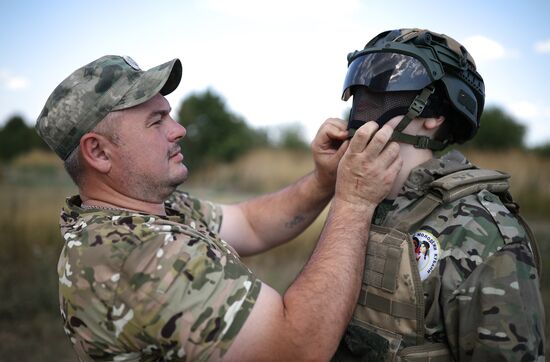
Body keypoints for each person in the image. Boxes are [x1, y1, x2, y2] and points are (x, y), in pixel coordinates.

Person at [35, 55, 402, 361]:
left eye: (170, 114)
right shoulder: (134, 254)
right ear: (98, 152)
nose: (179, 130)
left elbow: (251, 224)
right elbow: (297, 348)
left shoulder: (149, 211)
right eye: (156, 121)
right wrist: (354, 201)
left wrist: (325, 181)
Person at [332, 28, 545, 361]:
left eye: (388, 82)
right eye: (362, 79)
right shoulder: (357, 200)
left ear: (434, 112)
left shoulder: (480, 232)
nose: (365, 94)